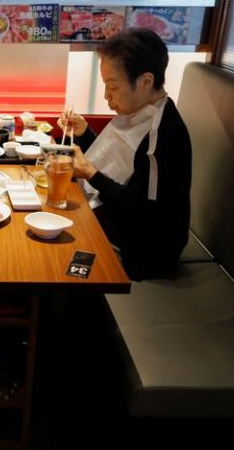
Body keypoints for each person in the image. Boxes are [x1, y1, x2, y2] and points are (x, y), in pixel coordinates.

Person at [57, 28, 191, 279]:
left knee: (55, 254)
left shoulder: (162, 134)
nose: (106, 96)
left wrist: (90, 173)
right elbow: (119, 164)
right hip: (117, 225)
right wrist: (84, 133)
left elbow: (144, 212)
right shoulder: (142, 112)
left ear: (146, 81)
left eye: (113, 87)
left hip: (143, 253)